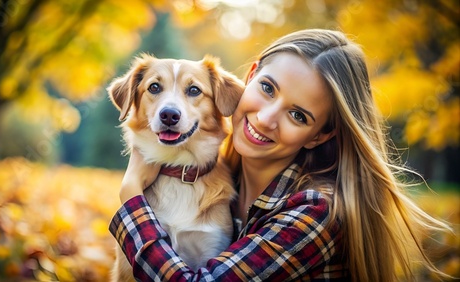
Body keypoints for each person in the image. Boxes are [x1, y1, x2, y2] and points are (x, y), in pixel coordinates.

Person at [109, 29, 451, 281]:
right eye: (267, 89)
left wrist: (131, 196)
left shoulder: (317, 213)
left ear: (321, 134)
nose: (266, 118)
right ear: (251, 74)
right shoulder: (230, 179)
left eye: (298, 115)